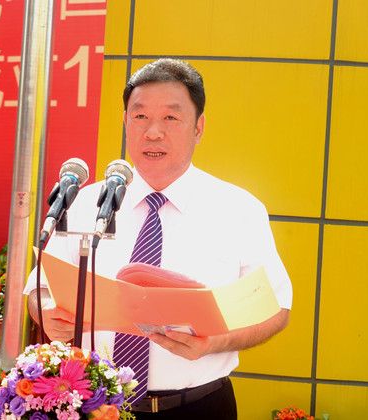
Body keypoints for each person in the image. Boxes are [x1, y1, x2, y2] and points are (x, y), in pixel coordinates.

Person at [25, 59, 292, 419]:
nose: (153, 132)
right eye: (140, 116)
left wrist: (215, 343)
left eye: (170, 117)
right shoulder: (87, 203)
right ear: (126, 122)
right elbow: (39, 289)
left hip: (198, 407)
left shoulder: (238, 209)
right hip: (98, 404)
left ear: (198, 127)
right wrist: (46, 312)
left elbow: (275, 308)